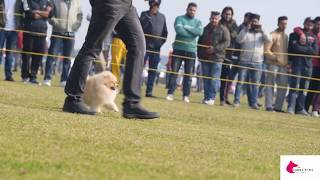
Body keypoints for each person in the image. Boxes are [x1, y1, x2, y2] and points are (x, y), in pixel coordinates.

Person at [62, 0, 159, 119]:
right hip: (110, 3)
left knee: (138, 47)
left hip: (126, 4)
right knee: (92, 47)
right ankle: (73, 99)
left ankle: (132, 104)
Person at [166, 2, 203, 103]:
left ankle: (186, 95)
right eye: (190, 9)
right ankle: (170, 93)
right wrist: (192, 32)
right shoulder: (179, 18)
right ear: (187, 9)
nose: (192, 12)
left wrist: (185, 27)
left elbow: (199, 32)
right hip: (178, 49)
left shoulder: (198, 22)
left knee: (189, 75)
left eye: (194, 10)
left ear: (196, 11)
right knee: (174, 73)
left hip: (191, 51)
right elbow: (179, 30)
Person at [43, 0, 83, 87]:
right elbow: (50, 15)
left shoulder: (77, 2)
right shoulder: (55, 1)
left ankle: (64, 80)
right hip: (57, 32)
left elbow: (80, 16)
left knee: (67, 58)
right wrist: (55, 22)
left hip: (71, 34)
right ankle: (47, 78)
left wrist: (76, 26)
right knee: (52, 56)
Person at [234, 13, 269, 109]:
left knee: (255, 84)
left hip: (258, 62)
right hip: (244, 61)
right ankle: (236, 101)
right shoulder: (245, 31)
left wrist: (262, 29)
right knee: (240, 82)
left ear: (259, 22)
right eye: (252, 22)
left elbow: (269, 40)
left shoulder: (261, 33)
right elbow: (239, 40)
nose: (254, 23)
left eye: (256, 22)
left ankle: (253, 103)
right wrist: (246, 29)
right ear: (249, 22)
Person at [198, 11, 230, 105]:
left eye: (216, 18)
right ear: (210, 18)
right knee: (206, 78)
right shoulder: (205, 28)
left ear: (219, 19)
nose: (214, 20)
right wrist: (199, 55)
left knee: (214, 78)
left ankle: (211, 98)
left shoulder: (223, 29)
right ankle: (206, 97)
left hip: (217, 58)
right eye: (212, 18)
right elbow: (199, 43)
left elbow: (226, 42)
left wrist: (215, 49)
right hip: (205, 57)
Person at [287, 17, 318, 116]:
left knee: (303, 88)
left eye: (311, 25)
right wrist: (308, 49)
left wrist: (305, 48)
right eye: (308, 24)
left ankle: (300, 109)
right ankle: (291, 108)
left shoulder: (314, 36)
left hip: (308, 66)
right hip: (297, 64)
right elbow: (295, 48)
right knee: (294, 87)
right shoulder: (295, 34)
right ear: (304, 23)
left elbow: (314, 52)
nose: (309, 26)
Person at [140, 0, 168, 98]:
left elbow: (165, 33)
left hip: (156, 48)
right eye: (154, 5)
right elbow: (140, 28)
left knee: (153, 70)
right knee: (139, 68)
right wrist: (149, 17)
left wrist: (160, 43)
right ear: (150, 5)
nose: (155, 7)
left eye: (157, 5)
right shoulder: (144, 15)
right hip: (144, 46)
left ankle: (149, 92)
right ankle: (136, 89)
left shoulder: (162, 17)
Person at [21, 0, 52, 85]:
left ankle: (33, 77)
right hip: (29, 31)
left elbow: (49, 15)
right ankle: (25, 76)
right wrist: (44, 13)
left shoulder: (47, 2)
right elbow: (31, 14)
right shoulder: (26, 1)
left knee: (38, 56)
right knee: (26, 56)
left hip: (42, 33)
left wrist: (38, 12)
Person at [264, 16, 290, 112]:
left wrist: (287, 63)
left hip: (284, 66)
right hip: (273, 64)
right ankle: (269, 106)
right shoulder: (272, 35)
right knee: (270, 85)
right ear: (278, 23)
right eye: (282, 23)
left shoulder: (286, 36)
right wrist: (276, 58)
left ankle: (278, 107)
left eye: (286, 23)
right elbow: (266, 51)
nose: (284, 25)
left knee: (283, 87)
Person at [219, 6, 239, 106]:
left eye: (229, 14)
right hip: (218, 53)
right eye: (226, 14)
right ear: (222, 14)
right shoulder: (219, 23)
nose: (227, 16)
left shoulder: (234, 25)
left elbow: (233, 37)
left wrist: (228, 29)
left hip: (228, 55)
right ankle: (210, 97)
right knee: (215, 76)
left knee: (225, 78)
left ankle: (223, 99)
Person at [0, 0, 22, 81]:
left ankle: (8, 75)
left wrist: (19, 26)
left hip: (14, 30)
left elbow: (22, 13)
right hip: (1, 28)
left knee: (10, 54)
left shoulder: (19, 1)